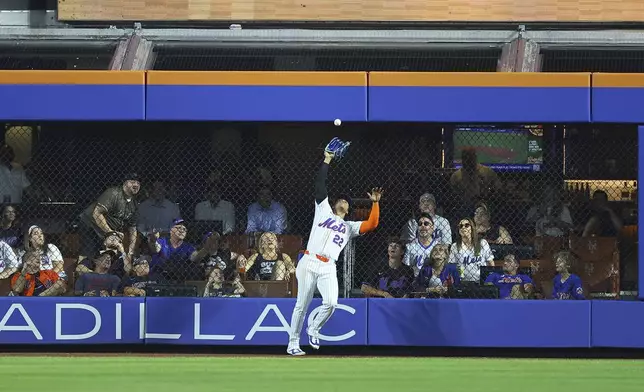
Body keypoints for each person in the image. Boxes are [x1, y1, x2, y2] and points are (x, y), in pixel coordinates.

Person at [287, 150, 383, 356]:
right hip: (309, 260)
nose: (343, 201)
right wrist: (327, 160)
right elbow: (320, 185)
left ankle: (314, 328)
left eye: (347, 201)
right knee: (301, 305)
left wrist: (375, 203)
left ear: (349, 210)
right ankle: (293, 343)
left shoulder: (349, 226)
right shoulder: (323, 211)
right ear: (334, 203)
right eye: (340, 199)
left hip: (328, 266)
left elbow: (372, 224)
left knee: (331, 302)